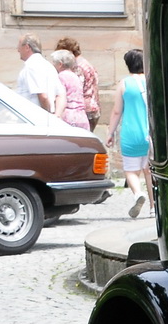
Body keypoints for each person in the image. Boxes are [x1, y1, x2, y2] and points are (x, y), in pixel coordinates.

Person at [104, 49, 152, 219]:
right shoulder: (150, 82)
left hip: (130, 133)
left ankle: (138, 193)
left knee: (131, 170)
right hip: (150, 133)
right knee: (149, 171)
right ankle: (154, 208)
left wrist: (110, 133)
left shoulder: (124, 84)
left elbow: (117, 112)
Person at [55, 37, 99, 129]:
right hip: (93, 106)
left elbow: (76, 89)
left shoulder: (77, 67)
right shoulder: (86, 63)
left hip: (83, 109)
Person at [14, 33, 63, 116]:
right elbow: (60, 94)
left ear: (27, 47)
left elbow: (42, 96)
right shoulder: (48, 66)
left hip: (34, 117)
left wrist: (47, 117)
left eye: (19, 46)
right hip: (46, 118)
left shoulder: (31, 66)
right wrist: (56, 116)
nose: (18, 50)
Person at [50, 49, 91, 130]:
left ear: (60, 64)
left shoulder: (61, 77)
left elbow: (60, 96)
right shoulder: (76, 77)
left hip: (68, 117)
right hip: (81, 116)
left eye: (54, 63)